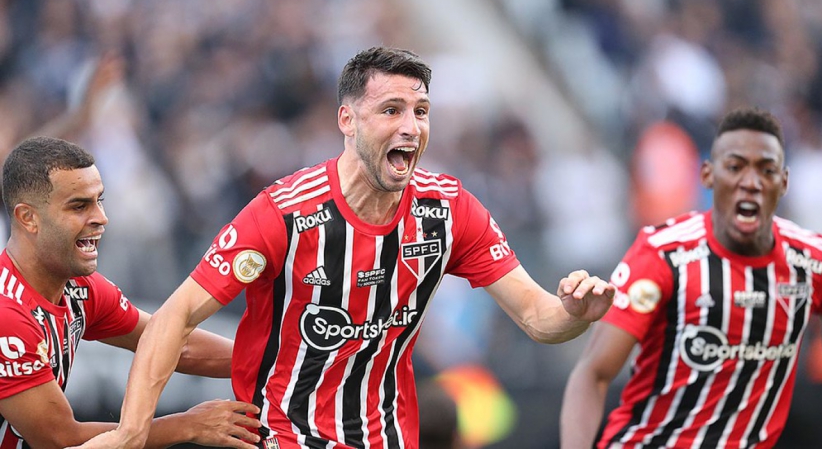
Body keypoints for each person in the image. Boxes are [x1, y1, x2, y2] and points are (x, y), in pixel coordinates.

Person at [73, 46, 616, 449]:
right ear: (347, 120)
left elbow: (538, 318)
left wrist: (575, 311)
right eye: (391, 110)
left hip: (389, 437)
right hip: (284, 436)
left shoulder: (448, 210)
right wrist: (132, 432)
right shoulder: (285, 212)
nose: (410, 127)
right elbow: (176, 316)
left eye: (421, 111)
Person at [560, 106, 822, 449]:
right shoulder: (663, 254)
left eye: (766, 170)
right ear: (708, 175)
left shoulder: (814, 261)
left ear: (783, 182)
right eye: (736, 167)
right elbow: (594, 373)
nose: (751, 183)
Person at [0, 136, 262, 448]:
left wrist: (278, 356)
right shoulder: (7, 315)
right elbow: (58, 439)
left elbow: (171, 345)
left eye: (100, 200)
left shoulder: (80, 288)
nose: (100, 218)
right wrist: (187, 425)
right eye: (79, 206)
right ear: (28, 218)